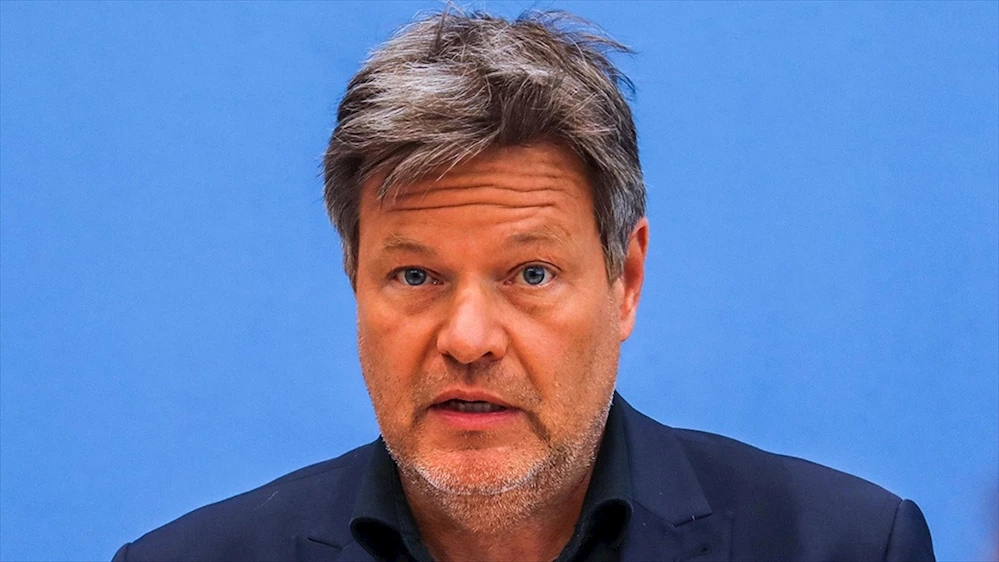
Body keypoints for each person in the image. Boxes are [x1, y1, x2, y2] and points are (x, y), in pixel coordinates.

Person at [113, 9, 935, 562]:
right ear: (354, 283)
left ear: (625, 281)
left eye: (530, 273)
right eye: (414, 274)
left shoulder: (843, 546)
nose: (468, 338)